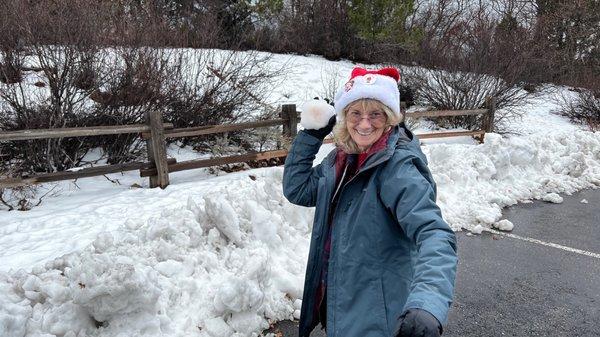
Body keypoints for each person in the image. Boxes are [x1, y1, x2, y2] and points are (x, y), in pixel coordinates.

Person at [282, 67, 458, 337]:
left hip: (376, 318)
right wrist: (311, 136)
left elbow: (434, 233)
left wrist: (428, 303)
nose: (364, 124)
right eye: (356, 113)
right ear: (345, 117)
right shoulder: (343, 159)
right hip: (341, 303)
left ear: (389, 118)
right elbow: (298, 189)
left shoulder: (397, 168)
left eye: (375, 113)